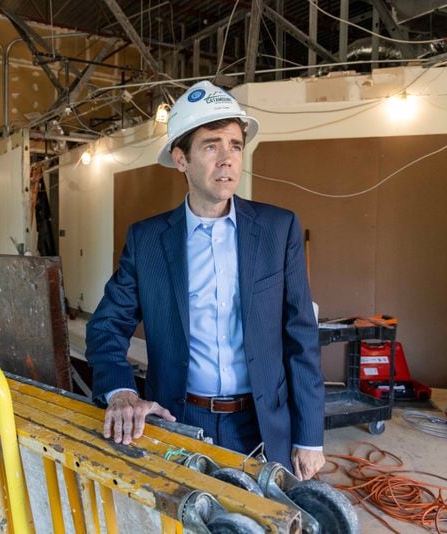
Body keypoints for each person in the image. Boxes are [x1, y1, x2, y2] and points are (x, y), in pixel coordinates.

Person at [85, 81, 324, 480]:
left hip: (261, 421)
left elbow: (301, 334)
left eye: (234, 145)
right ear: (181, 159)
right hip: (179, 414)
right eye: (211, 146)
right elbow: (107, 326)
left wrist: (310, 436)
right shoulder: (148, 241)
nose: (226, 159)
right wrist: (121, 391)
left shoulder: (278, 229)